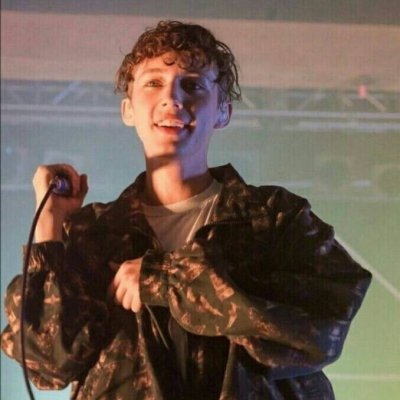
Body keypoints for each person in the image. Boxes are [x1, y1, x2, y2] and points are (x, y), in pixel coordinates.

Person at [1, 20, 371, 400]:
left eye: (192, 85)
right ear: (128, 110)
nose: (172, 98)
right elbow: (47, 363)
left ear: (222, 112)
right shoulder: (94, 233)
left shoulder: (274, 219)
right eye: (153, 82)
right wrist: (50, 224)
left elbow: (321, 330)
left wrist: (164, 279)